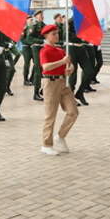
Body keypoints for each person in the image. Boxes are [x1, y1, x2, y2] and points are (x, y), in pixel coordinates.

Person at [38, 24, 78, 156]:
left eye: (57, 33)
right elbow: (46, 67)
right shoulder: (45, 50)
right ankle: (46, 144)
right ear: (46, 36)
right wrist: (62, 62)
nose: (56, 35)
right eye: (53, 34)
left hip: (62, 82)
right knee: (50, 115)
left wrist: (70, 68)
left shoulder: (61, 50)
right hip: (50, 83)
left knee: (73, 111)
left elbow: (69, 64)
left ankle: (60, 137)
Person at [65, 17, 94, 106]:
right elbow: (66, 36)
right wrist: (82, 38)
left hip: (81, 48)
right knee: (73, 74)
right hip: (72, 47)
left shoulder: (84, 21)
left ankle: (80, 92)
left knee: (89, 71)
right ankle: (71, 97)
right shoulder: (69, 22)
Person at [27, 10, 46, 101]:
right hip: (36, 48)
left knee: (45, 70)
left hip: (44, 48)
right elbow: (29, 38)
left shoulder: (44, 25)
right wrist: (41, 41)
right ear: (36, 16)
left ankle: (43, 89)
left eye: (42, 15)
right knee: (38, 70)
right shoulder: (33, 26)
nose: (42, 16)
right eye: (40, 15)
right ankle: (36, 93)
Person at [21, 16, 34, 86]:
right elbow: (22, 40)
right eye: (30, 20)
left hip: (32, 48)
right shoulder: (24, 29)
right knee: (27, 64)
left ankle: (32, 79)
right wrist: (31, 42)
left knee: (36, 63)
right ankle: (25, 79)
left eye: (32, 20)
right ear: (26, 20)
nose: (31, 21)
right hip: (26, 48)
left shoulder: (33, 28)